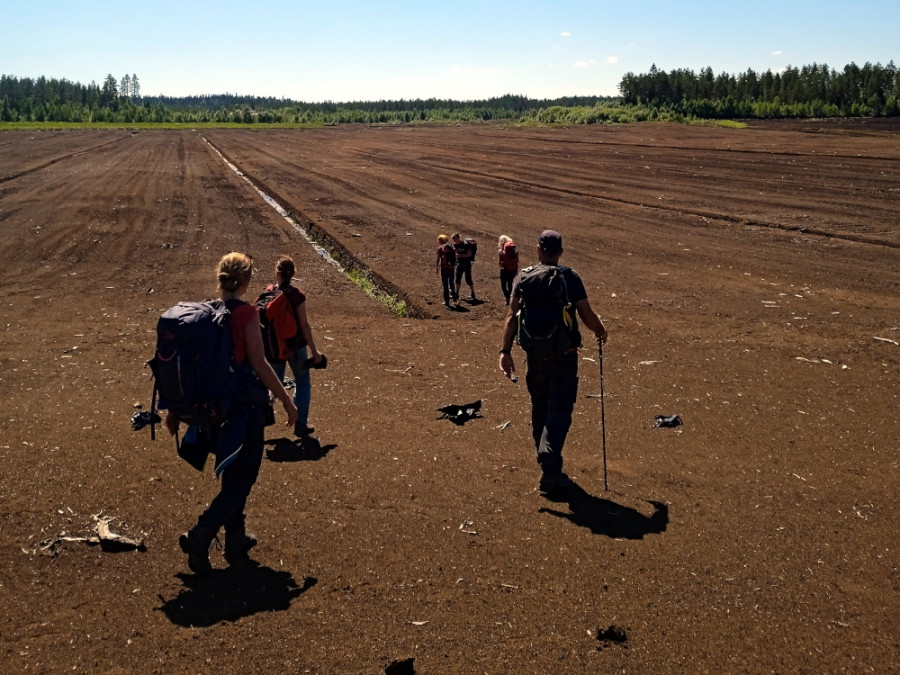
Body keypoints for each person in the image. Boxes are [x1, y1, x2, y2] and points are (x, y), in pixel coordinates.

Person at [168, 252, 298, 574]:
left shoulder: (207, 312)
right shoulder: (247, 314)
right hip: (245, 408)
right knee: (243, 478)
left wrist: (175, 411)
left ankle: (236, 539)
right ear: (246, 281)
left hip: (216, 409)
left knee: (233, 471)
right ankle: (201, 534)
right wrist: (286, 400)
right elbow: (260, 364)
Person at [498, 230, 608, 493]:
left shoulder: (523, 277)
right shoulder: (570, 277)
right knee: (560, 408)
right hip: (564, 356)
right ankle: (549, 464)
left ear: (538, 250)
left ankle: (547, 464)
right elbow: (586, 314)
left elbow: (512, 316)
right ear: (560, 252)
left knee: (540, 406)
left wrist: (504, 351)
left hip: (534, 356)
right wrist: (601, 330)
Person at [267, 255, 324, 438]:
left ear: (277, 273)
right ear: (293, 274)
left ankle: (259, 419)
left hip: (275, 347)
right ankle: (301, 423)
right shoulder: (297, 296)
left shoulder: (270, 294)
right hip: (296, 347)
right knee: (302, 382)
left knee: (272, 384)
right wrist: (314, 351)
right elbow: (304, 326)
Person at [452, 233, 477, 301]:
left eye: (455, 239)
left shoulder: (465, 244)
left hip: (466, 263)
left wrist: (461, 256)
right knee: (457, 278)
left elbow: (469, 254)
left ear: (458, 238)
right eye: (453, 239)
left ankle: (472, 292)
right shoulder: (455, 245)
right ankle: (457, 293)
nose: (454, 240)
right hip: (459, 263)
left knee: (468, 278)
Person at [435, 234, 457, 307]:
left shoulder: (440, 249)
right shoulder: (452, 248)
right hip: (451, 268)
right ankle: (454, 296)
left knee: (445, 285)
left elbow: (438, 260)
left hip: (444, 269)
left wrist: (437, 269)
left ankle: (447, 301)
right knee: (451, 282)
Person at [497, 234, 519, 305]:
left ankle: (507, 299)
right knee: (510, 285)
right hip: (513, 270)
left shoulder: (501, 252)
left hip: (504, 270)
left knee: (503, 285)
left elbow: (500, 263)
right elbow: (517, 261)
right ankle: (512, 299)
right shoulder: (514, 251)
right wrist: (516, 271)